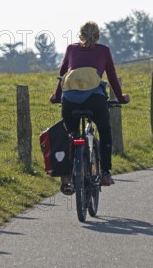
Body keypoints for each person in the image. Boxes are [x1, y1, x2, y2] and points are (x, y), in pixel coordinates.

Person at [50, 21, 129, 192]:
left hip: (69, 100)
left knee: (68, 135)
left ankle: (66, 175)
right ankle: (106, 173)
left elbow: (62, 75)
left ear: (81, 35)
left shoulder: (71, 49)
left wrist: (57, 96)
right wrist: (121, 98)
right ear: (98, 36)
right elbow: (113, 77)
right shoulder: (104, 50)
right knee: (105, 130)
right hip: (95, 100)